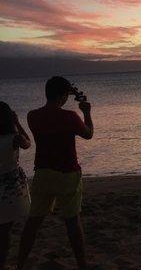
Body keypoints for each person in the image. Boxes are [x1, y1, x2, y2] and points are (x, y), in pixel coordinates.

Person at [17, 76, 93, 270]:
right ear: (62, 95)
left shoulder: (32, 116)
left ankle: (20, 264)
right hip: (67, 173)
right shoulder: (70, 117)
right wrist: (87, 113)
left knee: (33, 222)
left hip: (43, 172)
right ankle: (82, 265)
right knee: (72, 222)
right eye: (66, 94)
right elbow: (88, 134)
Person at [0, 103, 31, 270]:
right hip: (9, 188)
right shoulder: (14, 138)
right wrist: (18, 124)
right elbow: (28, 143)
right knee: (4, 231)